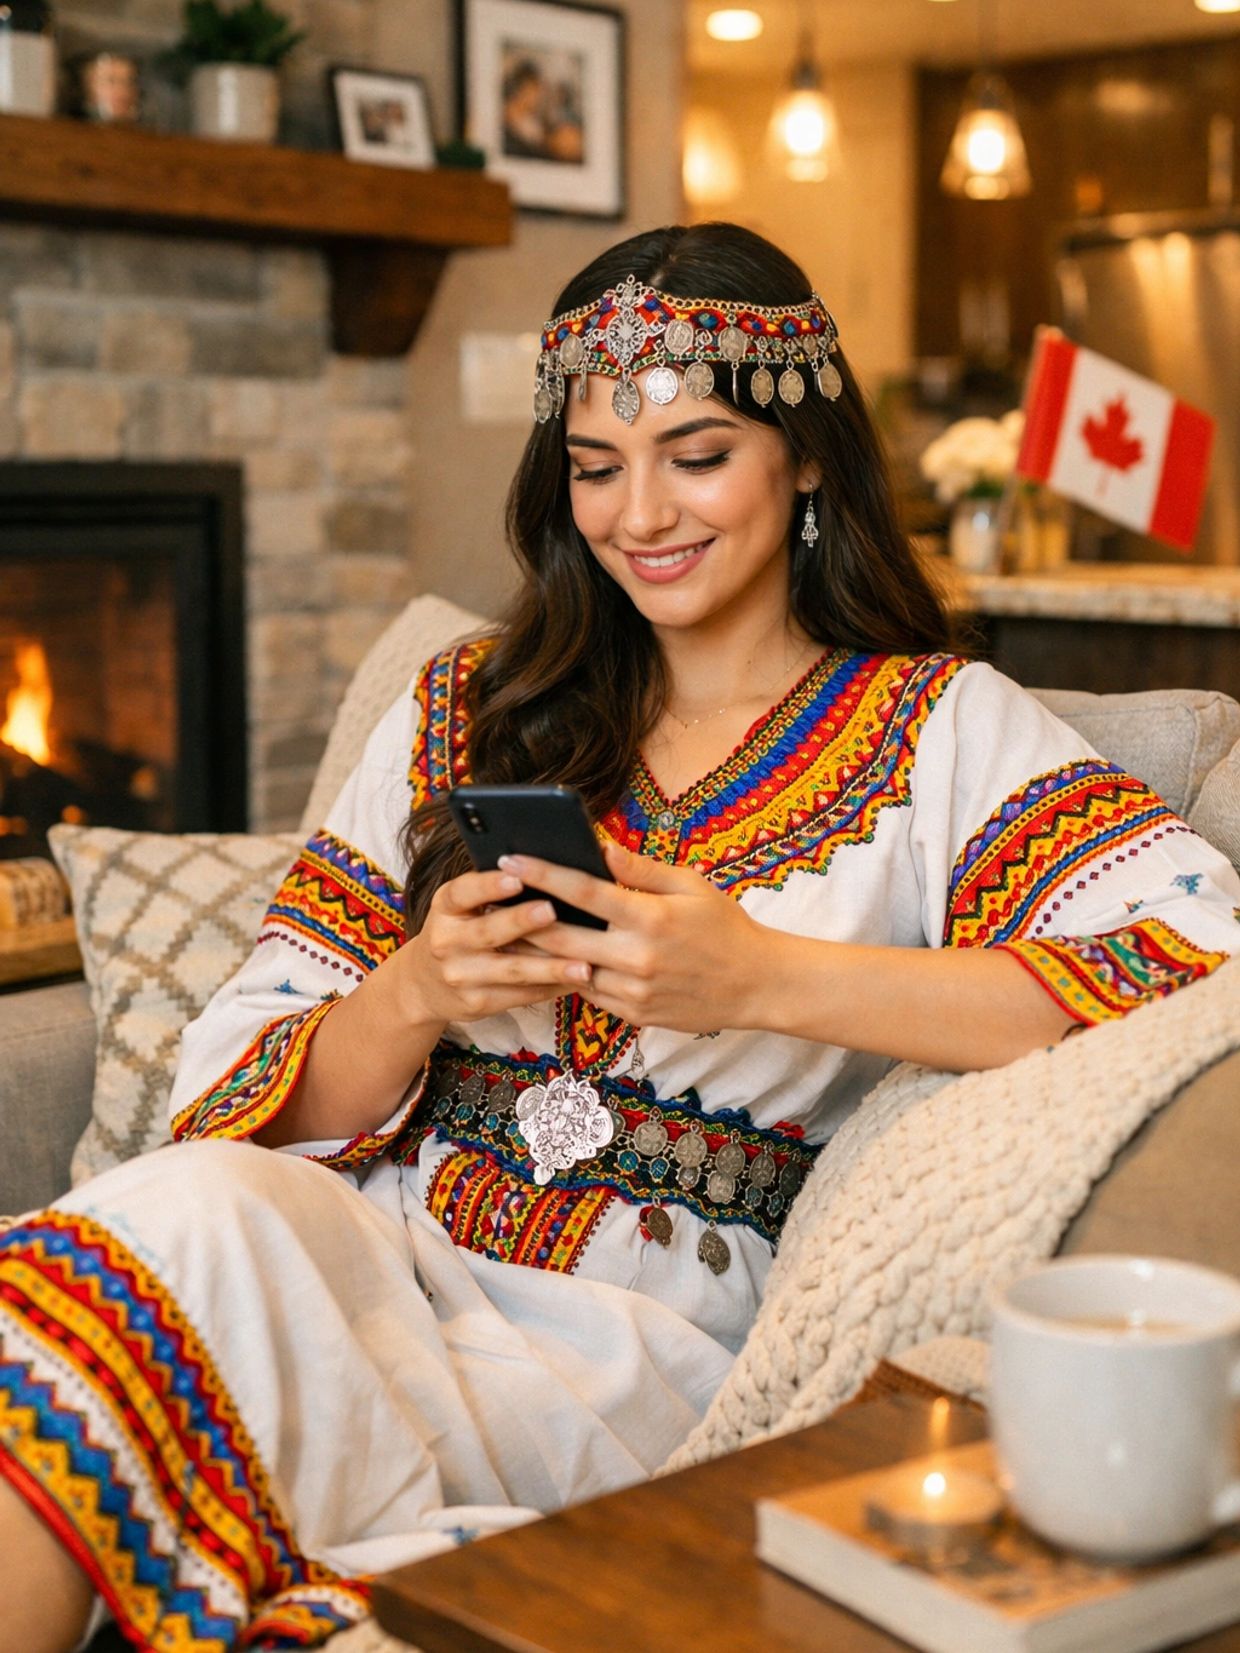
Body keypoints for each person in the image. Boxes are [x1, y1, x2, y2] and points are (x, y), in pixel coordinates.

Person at [2, 222, 1237, 1653]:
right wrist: (417, 987)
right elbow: (236, 1090)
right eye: (596, 467)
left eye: (696, 454)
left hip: (645, 1353)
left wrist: (768, 978)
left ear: (809, 457)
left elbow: (1189, 957)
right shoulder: (470, 700)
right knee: (155, 1230)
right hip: (372, 1249)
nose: (639, 511)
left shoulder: (940, 729)